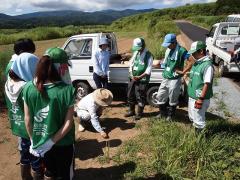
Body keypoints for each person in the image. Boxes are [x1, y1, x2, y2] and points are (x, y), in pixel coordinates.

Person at [23, 47, 76, 180]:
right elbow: (68, 123)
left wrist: (33, 140)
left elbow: (28, 119)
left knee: (50, 171)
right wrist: (51, 142)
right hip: (63, 143)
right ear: (61, 67)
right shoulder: (67, 91)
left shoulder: (28, 87)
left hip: (41, 143)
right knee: (64, 174)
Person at [4, 41, 43, 179]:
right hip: (32, 128)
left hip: (18, 124)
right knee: (36, 157)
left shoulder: (9, 82)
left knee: (24, 153)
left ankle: (25, 176)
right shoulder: (28, 88)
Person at [156, 33, 189, 121]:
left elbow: (191, 60)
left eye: (169, 44)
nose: (168, 46)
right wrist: (161, 63)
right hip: (166, 76)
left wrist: (183, 71)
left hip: (175, 78)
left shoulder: (182, 50)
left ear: (174, 43)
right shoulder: (168, 50)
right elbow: (167, 61)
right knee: (160, 95)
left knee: (173, 97)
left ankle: (171, 115)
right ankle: (162, 113)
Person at [187, 41, 214, 132]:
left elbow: (207, 83)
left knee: (199, 120)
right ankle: (194, 133)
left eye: (194, 53)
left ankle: (200, 139)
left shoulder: (207, 65)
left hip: (199, 98)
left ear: (201, 51)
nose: (192, 55)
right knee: (192, 117)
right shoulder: (197, 63)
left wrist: (201, 99)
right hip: (192, 96)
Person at [124, 38, 153, 120]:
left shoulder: (149, 55)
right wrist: (131, 74)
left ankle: (139, 113)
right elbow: (131, 64)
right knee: (130, 94)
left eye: (139, 48)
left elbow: (148, 70)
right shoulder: (136, 52)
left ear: (143, 46)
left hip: (142, 80)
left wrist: (139, 77)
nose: (138, 50)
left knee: (140, 96)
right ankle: (131, 111)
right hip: (133, 78)